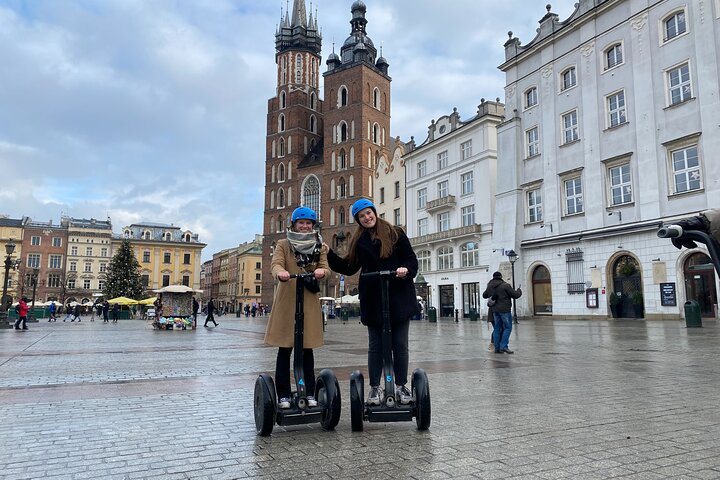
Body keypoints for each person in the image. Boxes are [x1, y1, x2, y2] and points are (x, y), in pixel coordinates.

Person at [324, 198, 419, 406]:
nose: (367, 218)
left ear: (374, 212)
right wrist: (329, 253)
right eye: (361, 216)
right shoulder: (360, 241)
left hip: (399, 296)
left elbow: (411, 260)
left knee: (400, 345)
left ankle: (401, 385)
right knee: (375, 346)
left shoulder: (396, 233)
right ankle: (375, 387)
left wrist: (405, 270)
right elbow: (349, 267)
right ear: (358, 220)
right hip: (374, 300)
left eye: (368, 213)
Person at [264, 206, 328, 409]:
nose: (305, 226)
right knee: (285, 349)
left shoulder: (320, 246)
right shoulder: (284, 244)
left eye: (308, 223)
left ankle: (309, 392)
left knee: (306, 349)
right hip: (287, 300)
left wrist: (321, 273)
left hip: (308, 301)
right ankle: (283, 394)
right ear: (294, 224)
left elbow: (325, 268)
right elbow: (276, 264)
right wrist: (280, 272)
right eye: (301, 223)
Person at [483, 272, 522, 354]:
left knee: (497, 328)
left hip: (494, 310)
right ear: (501, 277)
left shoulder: (490, 285)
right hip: (504, 310)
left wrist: (492, 293)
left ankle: (497, 348)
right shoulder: (505, 285)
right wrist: (519, 290)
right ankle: (504, 346)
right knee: (508, 328)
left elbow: (484, 295)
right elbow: (515, 295)